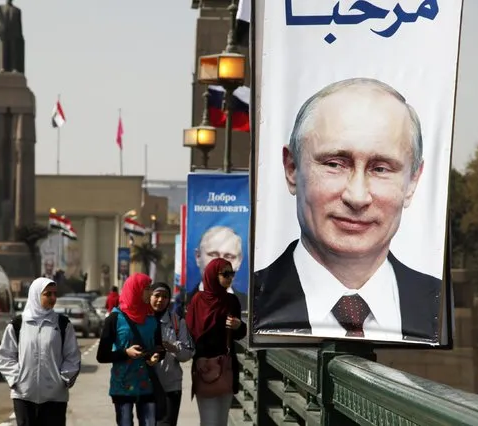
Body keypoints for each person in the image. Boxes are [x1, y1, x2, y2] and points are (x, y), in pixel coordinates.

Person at [254, 77, 442, 344]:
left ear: (412, 181)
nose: (357, 197)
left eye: (380, 169)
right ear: (292, 169)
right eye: (335, 164)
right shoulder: (248, 302)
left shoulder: (438, 308)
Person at [0, 277, 81, 426]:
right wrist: (17, 380)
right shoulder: (17, 325)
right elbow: (5, 356)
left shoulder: (62, 324)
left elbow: (72, 356)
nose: (53, 298)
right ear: (36, 295)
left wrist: (63, 380)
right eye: (48, 294)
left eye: (55, 294)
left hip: (55, 399)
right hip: (24, 396)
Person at [96, 273, 165, 426]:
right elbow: (102, 356)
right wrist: (125, 353)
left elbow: (160, 348)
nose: (150, 293)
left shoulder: (152, 318)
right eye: (146, 289)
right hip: (122, 387)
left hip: (148, 385)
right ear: (135, 290)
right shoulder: (115, 319)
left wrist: (157, 357)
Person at [186, 258, 247, 426]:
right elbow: (190, 333)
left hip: (226, 366)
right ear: (213, 275)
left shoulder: (232, 301)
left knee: (221, 421)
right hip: (204, 367)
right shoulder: (197, 301)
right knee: (209, 422)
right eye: (225, 274)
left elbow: (240, 334)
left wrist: (238, 326)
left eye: (231, 273)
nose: (229, 278)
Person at [150, 282, 194, 426]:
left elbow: (187, 354)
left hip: (170, 387)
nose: (160, 300)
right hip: (146, 386)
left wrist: (174, 348)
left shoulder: (177, 322)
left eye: (165, 297)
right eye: (157, 295)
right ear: (149, 297)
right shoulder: (141, 320)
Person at [187, 226, 247, 308]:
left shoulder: (249, 306)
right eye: (213, 255)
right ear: (198, 256)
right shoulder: (182, 304)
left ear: (239, 262)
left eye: (228, 256)